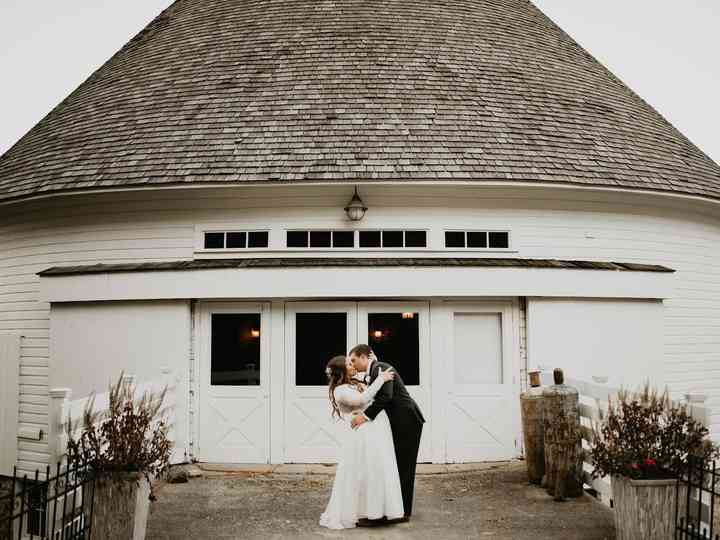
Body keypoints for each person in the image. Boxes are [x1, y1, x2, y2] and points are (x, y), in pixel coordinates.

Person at [319, 355, 405, 529]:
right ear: (340, 370)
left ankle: (379, 510)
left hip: (373, 429)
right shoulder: (340, 390)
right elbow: (361, 400)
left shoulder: (353, 383)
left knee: (376, 468)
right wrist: (381, 379)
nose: (352, 366)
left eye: (352, 362)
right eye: (348, 364)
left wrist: (373, 366)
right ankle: (364, 512)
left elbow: (368, 386)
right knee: (365, 469)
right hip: (362, 433)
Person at [348, 344, 425, 525]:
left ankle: (402, 512)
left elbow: (386, 396)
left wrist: (364, 417)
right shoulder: (374, 371)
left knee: (404, 465)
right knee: (396, 465)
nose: (352, 364)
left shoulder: (380, 367)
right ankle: (394, 509)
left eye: (354, 360)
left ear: (364, 357)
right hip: (399, 422)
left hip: (407, 421)